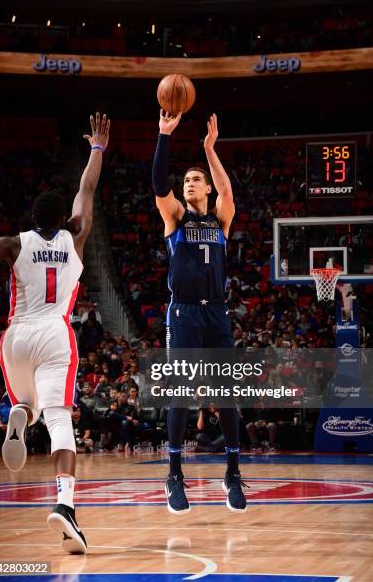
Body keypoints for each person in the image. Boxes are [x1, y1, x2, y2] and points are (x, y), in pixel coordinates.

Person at [0, 112, 110, 554]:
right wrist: (96, 149)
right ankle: (65, 505)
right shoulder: (76, 237)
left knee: (27, 403)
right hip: (55, 335)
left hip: (16, 337)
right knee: (60, 421)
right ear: (63, 220)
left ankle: (20, 411)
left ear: (33, 218)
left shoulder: (14, 244)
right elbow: (86, 190)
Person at [152, 109, 247, 514]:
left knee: (227, 397)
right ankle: (174, 472)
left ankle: (233, 471)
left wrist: (209, 149)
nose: (188, 184)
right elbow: (158, 183)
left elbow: (227, 193)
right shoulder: (175, 217)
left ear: (205, 188)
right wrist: (164, 136)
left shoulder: (220, 218)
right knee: (181, 395)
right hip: (184, 313)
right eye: (185, 181)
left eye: (195, 180)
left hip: (217, 312)